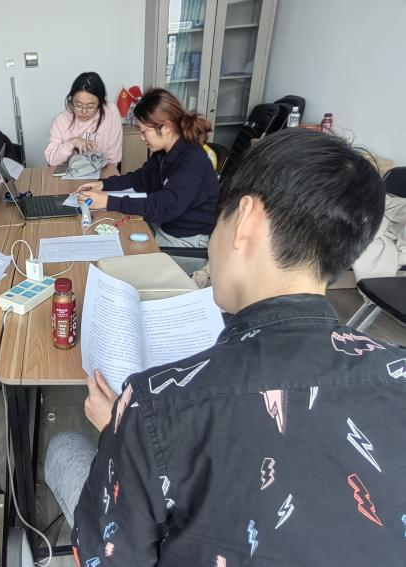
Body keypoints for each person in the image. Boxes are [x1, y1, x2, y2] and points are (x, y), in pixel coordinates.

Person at [46, 129, 406, 565]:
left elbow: (108, 557)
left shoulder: (153, 404)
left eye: (220, 217)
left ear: (246, 220)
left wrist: (121, 436)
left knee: (62, 448)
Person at [77, 88, 219, 254]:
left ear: (166, 127)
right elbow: (140, 179)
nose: (141, 137)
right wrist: (103, 185)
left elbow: (163, 206)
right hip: (164, 225)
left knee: (122, 252)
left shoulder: (192, 163)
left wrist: (108, 201)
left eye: (144, 131)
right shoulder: (164, 153)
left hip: (185, 240)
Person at [44, 72, 122, 170]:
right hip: (71, 174)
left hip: (102, 173)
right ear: (71, 99)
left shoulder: (111, 112)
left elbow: (113, 159)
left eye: (90, 106)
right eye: (78, 105)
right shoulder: (61, 120)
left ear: (100, 103)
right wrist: (72, 143)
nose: (83, 112)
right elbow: (51, 160)